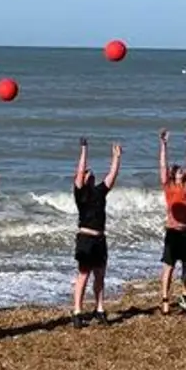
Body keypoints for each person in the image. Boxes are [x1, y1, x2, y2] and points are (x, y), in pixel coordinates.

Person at [71, 137, 122, 324]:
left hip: (100, 239)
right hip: (85, 238)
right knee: (83, 274)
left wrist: (116, 157)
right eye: (86, 174)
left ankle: (100, 308)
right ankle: (77, 311)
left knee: (100, 275)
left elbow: (112, 176)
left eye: (91, 174)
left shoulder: (100, 191)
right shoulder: (80, 193)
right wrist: (84, 149)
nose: (89, 174)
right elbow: (79, 171)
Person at [157, 124, 186, 314]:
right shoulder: (168, 186)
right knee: (169, 267)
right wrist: (164, 144)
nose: (182, 171)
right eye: (178, 171)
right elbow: (163, 166)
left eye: (182, 171)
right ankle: (165, 299)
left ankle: (185, 296)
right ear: (174, 175)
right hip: (173, 232)